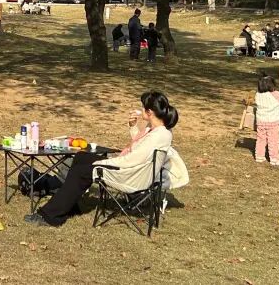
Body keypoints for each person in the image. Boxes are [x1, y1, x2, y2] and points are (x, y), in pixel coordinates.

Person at [24, 91, 180, 227]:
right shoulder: (157, 130)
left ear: (150, 112)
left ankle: (50, 216)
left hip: (131, 176)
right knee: (82, 157)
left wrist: (103, 162)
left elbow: (132, 160)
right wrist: (133, 126)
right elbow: (138, 148)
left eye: (143, 107)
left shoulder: (157, 136)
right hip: (133, 170)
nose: (141, 110)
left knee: (82, 171)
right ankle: (70, 204)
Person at [254, 75, 279, 166]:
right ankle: (274, 159)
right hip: (272, 122)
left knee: (261, 139)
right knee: (273, 140)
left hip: (261, 121)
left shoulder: (257, 94)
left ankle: (259, 156)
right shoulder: (275, 94)